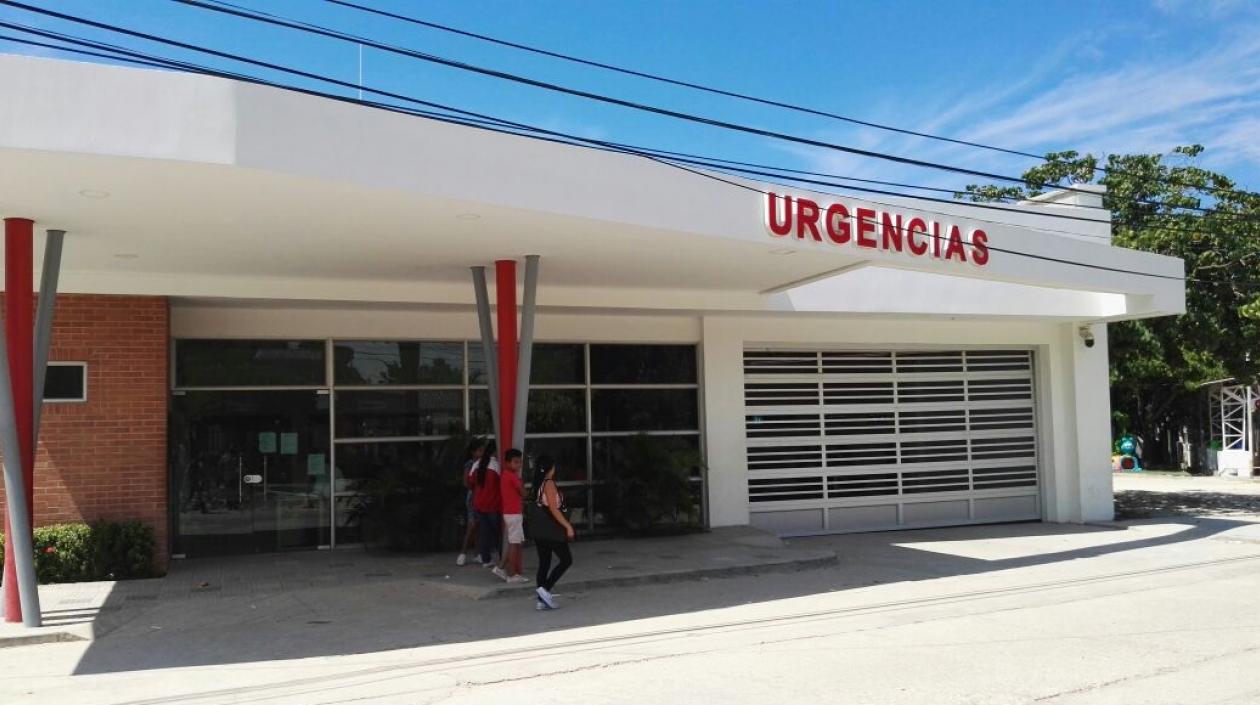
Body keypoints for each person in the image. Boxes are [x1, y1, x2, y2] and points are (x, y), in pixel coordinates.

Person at [530, 454, 575, 610]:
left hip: (540, 530)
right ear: (551, 469)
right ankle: (545, 590)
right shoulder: (549, 483)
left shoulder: (538, 484)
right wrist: (567, 526)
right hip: (552, 530)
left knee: (544, 563)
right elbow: (554, 510)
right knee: (566, 560)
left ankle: (541, 600)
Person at [494, 448, 529, 583]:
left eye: (520, 462)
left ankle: (502, 568)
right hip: (513, 514)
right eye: (516, 462)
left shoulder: (505, 475)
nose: (518, 465)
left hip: (511, 513)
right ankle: (511, 574)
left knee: (514, 543)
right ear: (507, 463)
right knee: (514, 544)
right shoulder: (513, 477)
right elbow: (524, 494)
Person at [456, 439, 487, 566]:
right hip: (473, 496)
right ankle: (463, 553)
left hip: (481, 496)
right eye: (480, 450)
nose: (482, 453)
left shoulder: (484, 463)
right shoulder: (470, 464)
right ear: (473, 452)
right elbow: (466, 482)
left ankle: (477, 553)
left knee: (477, 526)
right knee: (472, 525)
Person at [471, 440, 501, 568]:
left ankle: (486, 559)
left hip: (479, 502)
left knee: (484, 533)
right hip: (492, 504)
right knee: (498, 534)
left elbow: (470, 481)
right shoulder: (496, 465)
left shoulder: (477, 464)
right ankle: (502, 557)